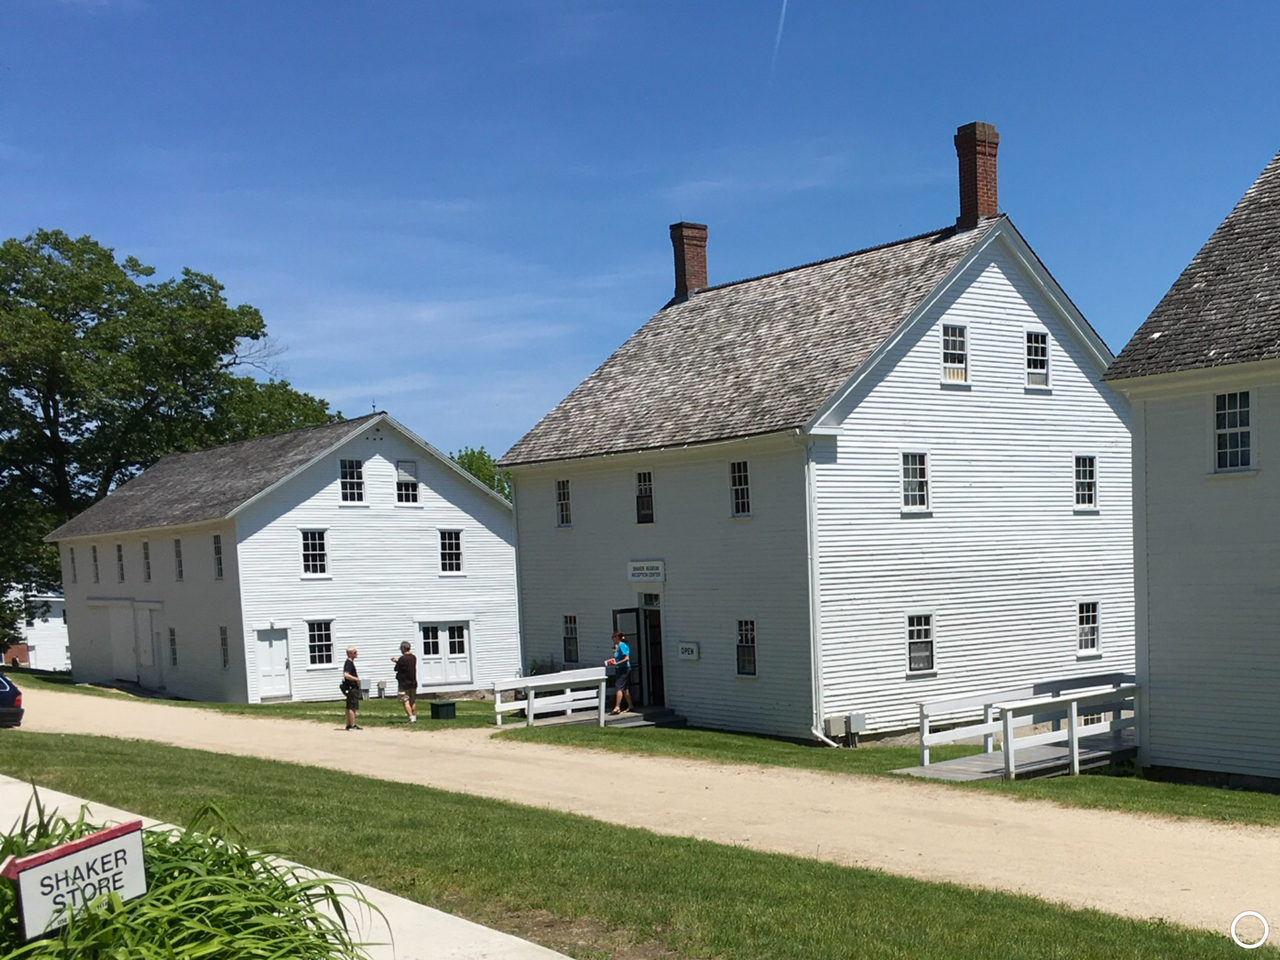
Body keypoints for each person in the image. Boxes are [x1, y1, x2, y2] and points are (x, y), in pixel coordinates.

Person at [606, 631, 633, 715]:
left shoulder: (622, 645)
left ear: (617, 637)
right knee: (625, 688)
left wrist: (616, 663)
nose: (612, 639)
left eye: (613, 637)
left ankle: (617, 707)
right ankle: (630, 705)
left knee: (618, 687)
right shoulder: (618, 646)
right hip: (620, 668)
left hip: (623, 669)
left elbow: (627, 658)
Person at [391, 640, 418, 723]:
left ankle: (411, 718)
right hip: (413, 682)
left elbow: (397, 669)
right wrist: (397, 661)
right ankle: (414, 717)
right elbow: (405, 666)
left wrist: (396, 662)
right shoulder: (413, 657)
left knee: (405, 700)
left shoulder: (402, 658)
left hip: (404, 683)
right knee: (412, 701)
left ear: (403, 648)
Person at [342, 647, 361, 731]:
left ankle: (349, 724)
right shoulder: (349, 663)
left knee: (350, 706)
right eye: (355, 652)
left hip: (351, 688)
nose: (357, 653)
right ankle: (352, 725)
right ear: (350, 653)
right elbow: (346, 675)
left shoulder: (350, 663)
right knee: (352, 707)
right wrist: (356, 679)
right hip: (351, 688)